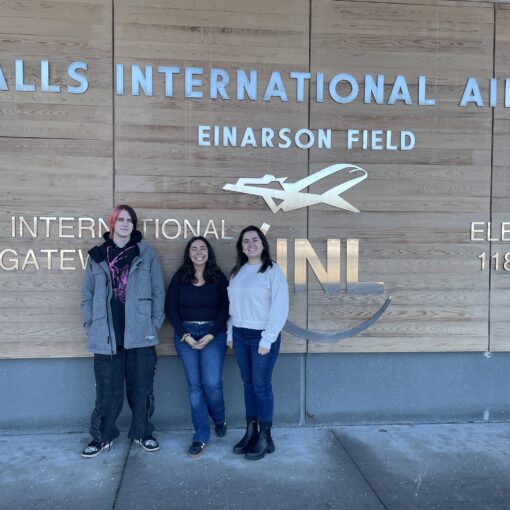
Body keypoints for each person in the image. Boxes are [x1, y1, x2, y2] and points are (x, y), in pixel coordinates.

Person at [80, 205, 165, 458]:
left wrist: (153, 324)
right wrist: (91, 324)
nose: (126, 224)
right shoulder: (97, 255)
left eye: (130, 220)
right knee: (107, 391)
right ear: (112, 224)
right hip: (107, 335)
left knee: (142, 389)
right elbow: (87, 295)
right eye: (121, 220)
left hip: (140, 334)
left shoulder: (145, 253)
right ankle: (102, 437)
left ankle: (142, 432)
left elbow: (158, 291)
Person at [227, 225, 289, 461]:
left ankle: (265, 436)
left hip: (262, 336)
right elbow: (233, 307)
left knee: (261, 385)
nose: (250, 244)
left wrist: (268, 338)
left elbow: (280, 307)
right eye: (245, 241)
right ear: (241, 247)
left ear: (263, 244)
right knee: (248, 384)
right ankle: (251, 432)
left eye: (255, 240)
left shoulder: (272, 270)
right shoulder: (238, 272)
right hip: (241, 335)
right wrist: (231, 333)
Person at [165, 236, 229, 458]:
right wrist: (185, 335)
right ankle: (201, 435)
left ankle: (219, 418)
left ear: (208, 252)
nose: (199, 252)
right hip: (186, 337)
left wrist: (212, 334)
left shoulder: (218, 277)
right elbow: (170, 309)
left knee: (212, 383)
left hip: (214, 333)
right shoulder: (180, 276)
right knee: (195, 386)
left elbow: (226, 308)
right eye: (194, 248)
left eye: (203, 248)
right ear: (188, 253)